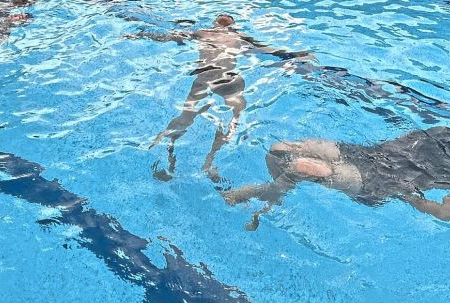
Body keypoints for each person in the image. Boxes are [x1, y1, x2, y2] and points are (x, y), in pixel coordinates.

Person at [223, 124, 450, 230]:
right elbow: (396, 147)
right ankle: (275, 195)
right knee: (280, 149)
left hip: (379, 183)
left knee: (303, 166)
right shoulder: (445, 132)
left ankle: (267, 194)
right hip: (367, 155)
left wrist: (410, 197)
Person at [122, 15, 311, 181]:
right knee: (235, 119)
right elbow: (270, 52)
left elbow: (168, 36)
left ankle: (171, 158)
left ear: (215, 23)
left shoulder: (203, 32)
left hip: (205, 76)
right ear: (232, 25)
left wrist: (138, 35)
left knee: (185, 117)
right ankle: (210, 161)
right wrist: (296, 56)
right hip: (228, 78)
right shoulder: (239, 37)